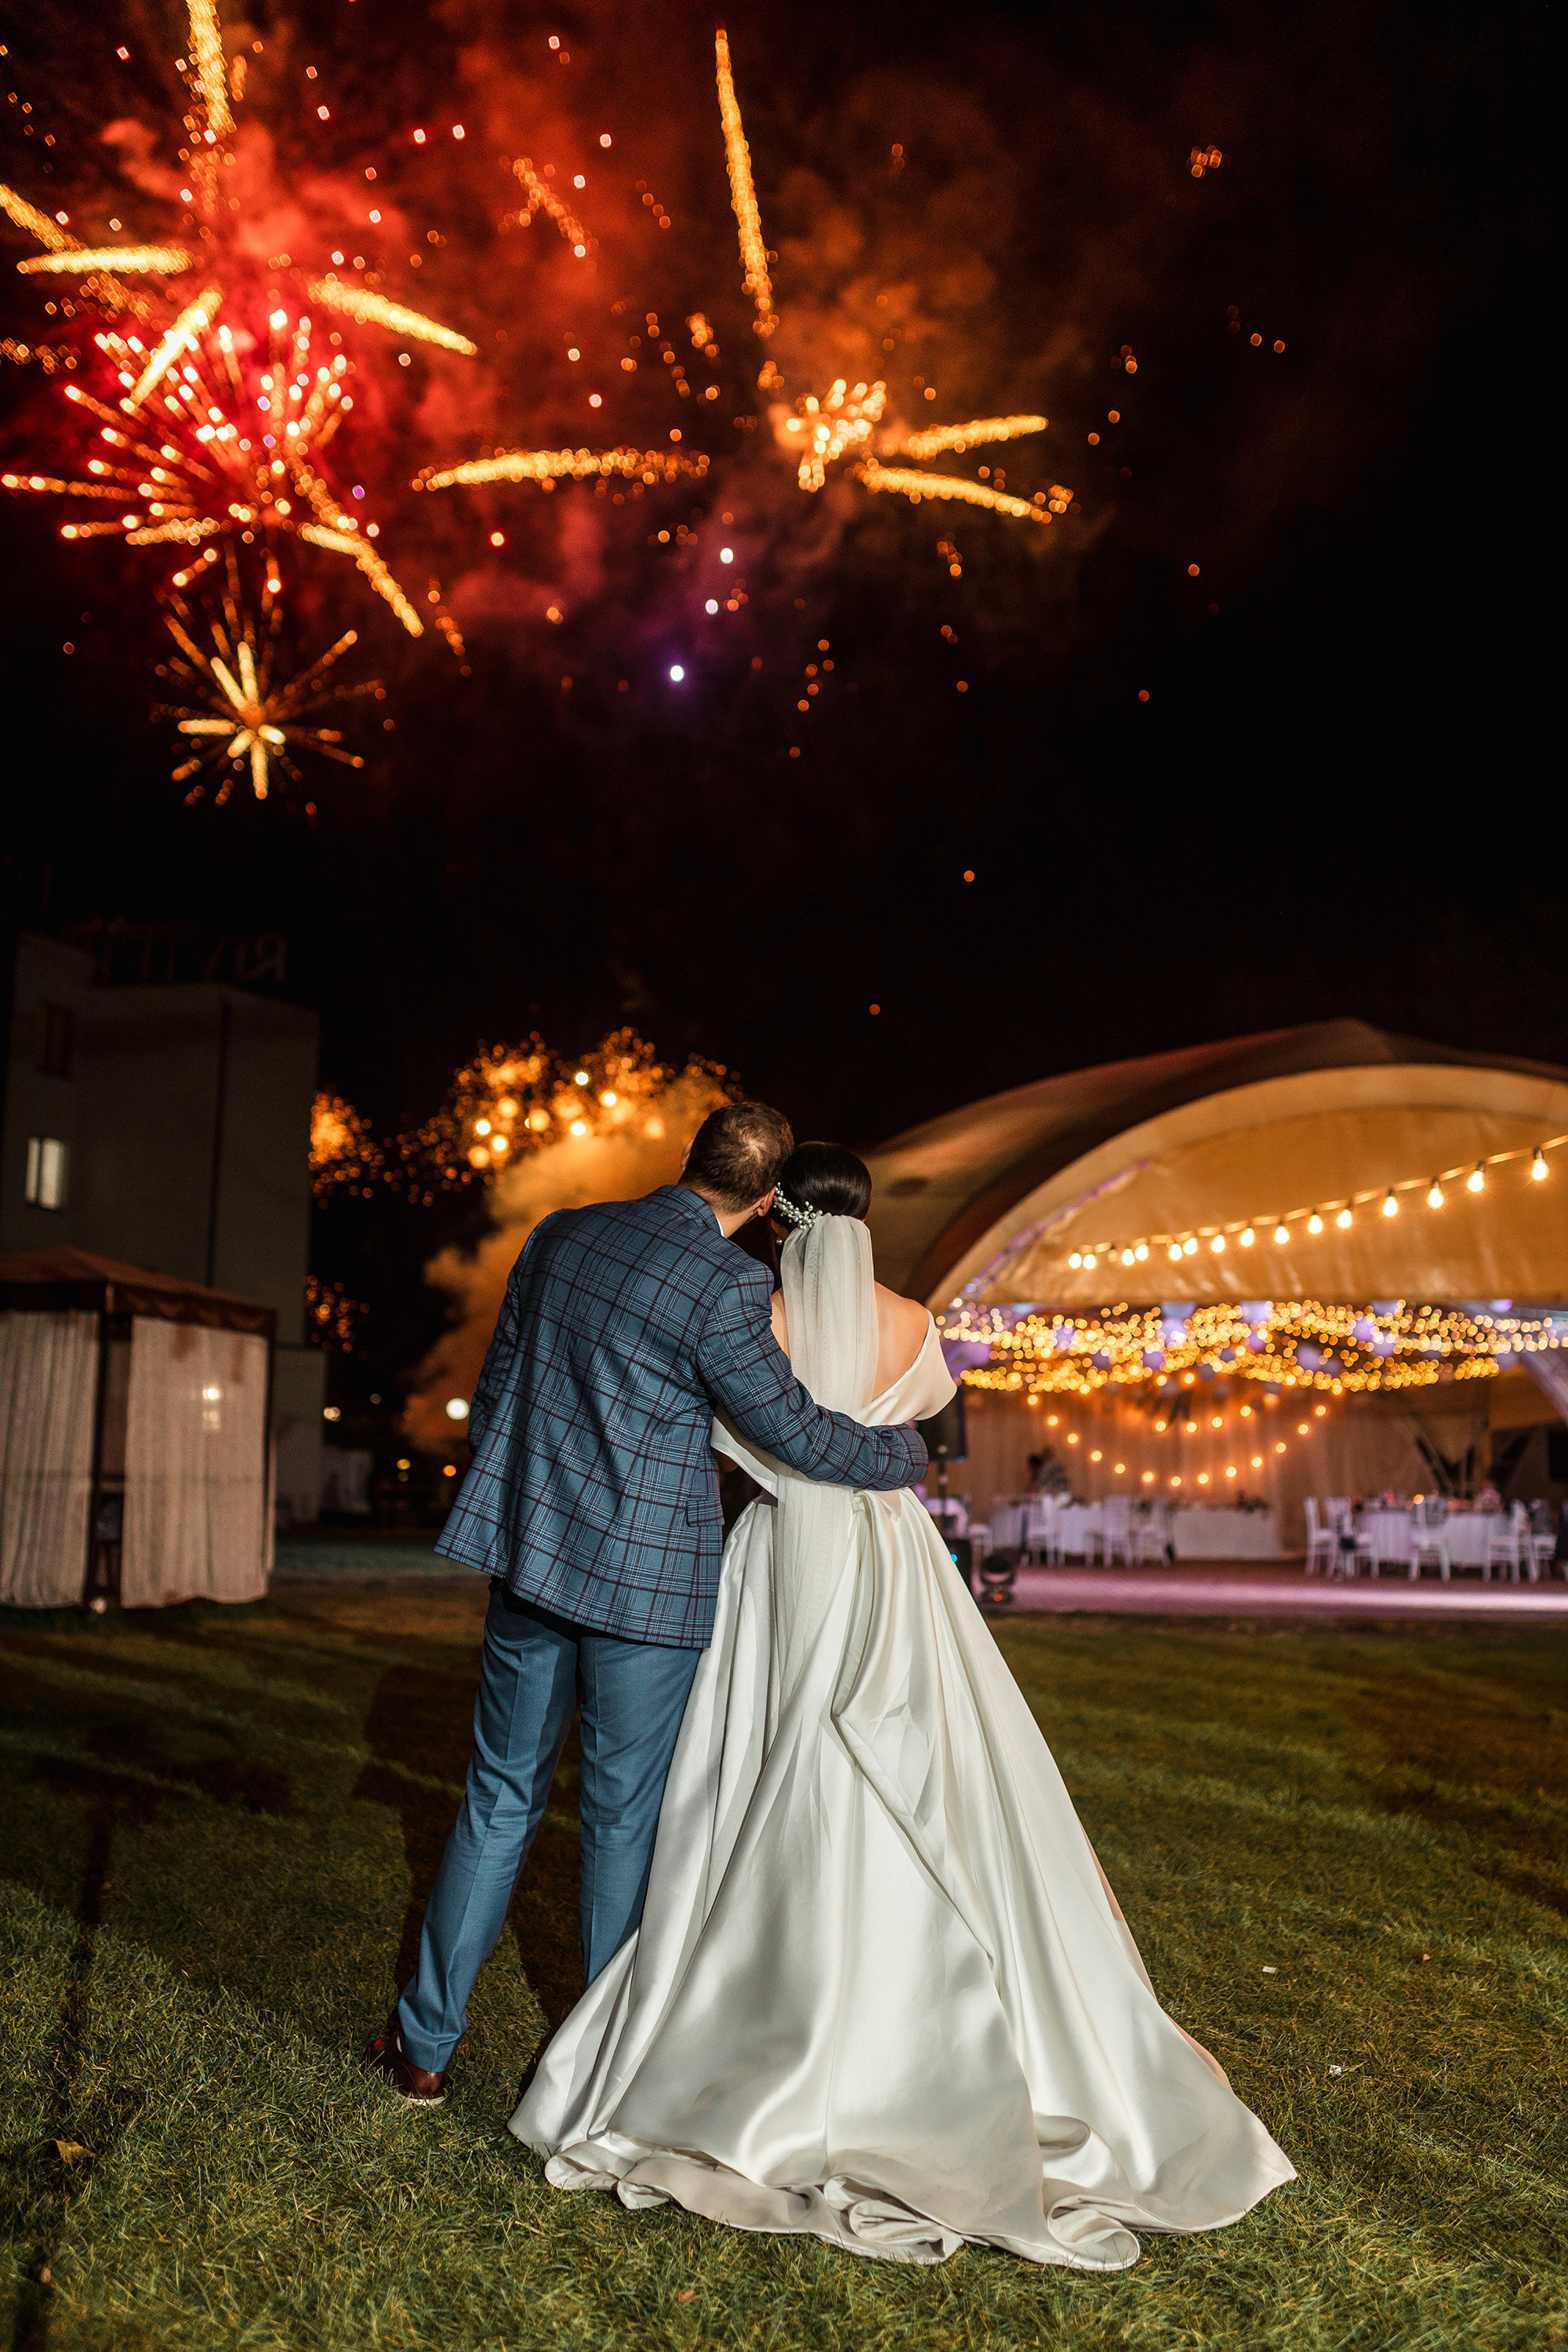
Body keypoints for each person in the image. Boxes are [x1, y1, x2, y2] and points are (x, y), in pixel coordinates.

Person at [514, 1142, 1295, 2270]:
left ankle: (748, 2003)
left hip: (782, 1555)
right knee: (930, 1751)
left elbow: (742, 1433)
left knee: (765, 1751)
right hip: (889, 1557)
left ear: (779, 1221)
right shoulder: (918, 1329)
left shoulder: (755, 1312)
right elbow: (916, 1429)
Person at [365, 1105, 928, 2105]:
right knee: (622, 1822)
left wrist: (506, 1514)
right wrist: (896, 1453)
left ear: (687, 1160)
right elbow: (790, 1429)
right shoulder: (727, 1282)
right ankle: (598, 2069)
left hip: (531, 1564)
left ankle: (423, 2049)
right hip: (646, 1587)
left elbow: (501, 1385)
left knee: (497, 1800)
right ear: (766, 1202)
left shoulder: (562, 1234)